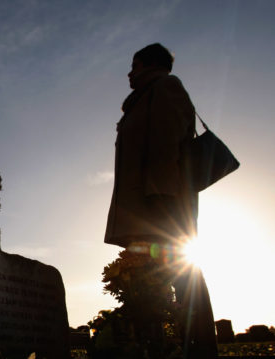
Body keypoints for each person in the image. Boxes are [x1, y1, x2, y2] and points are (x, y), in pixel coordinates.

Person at [104, 43, 218, 358]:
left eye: (135, 65)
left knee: (181, 276)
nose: (130, 72)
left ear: (152, 65)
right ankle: (154, 348)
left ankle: (200, 348)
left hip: (161, 203)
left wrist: (158, 198)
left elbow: (166, 144)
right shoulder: (140, 99)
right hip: (144, 205)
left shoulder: (167, 86)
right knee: (144, 282)